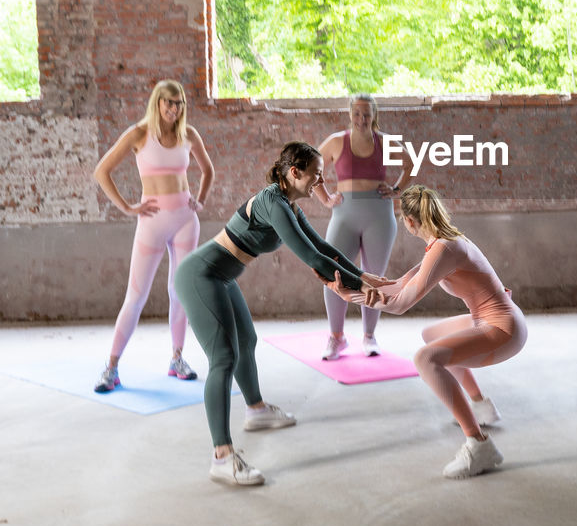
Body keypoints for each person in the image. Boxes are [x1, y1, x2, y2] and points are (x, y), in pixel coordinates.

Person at [174, 141, 387, 485]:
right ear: (294, 173)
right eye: (316, 175)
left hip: (223, 276)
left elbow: (323, 248)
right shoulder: (273, 202)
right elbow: (312, 258)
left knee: (247, 339)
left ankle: (256, 410)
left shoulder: (288, 205)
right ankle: (221, 456)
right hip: (201, 274)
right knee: (223, 357)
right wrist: (366, 288)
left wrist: (362, 275)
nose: (320, 182)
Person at [329, 185, 527, 480]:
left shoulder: (444, 249)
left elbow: (400, 304)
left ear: (408, 221)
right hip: (493, 320)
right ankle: (480, 407)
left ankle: (479, 444)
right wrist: (356, 281)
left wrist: (350, 297)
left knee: (425, 359)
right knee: (432, 336)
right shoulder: (443, 242)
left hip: (503, 328)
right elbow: (399, 284)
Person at [92, 79, 215, 393]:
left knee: (181, 292)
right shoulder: (139, 133)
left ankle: (177, 359)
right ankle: (111, 367)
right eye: (168, 103)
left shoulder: (189, 134)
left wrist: (200, 200)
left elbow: (208, 170)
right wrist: (126, 207)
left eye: (179, 104)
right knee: (136, 296)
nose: (174, 109)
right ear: (157, 103)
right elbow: (101, 171)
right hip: (152, 221)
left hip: (186, 221)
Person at [313, 94, 410, 360]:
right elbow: (312, 167)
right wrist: (325, 198)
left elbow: (410, 163)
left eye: (366, 114)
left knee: (373, 277)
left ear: (374, 115)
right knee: (332, 274)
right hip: (344, 214)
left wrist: (396, 190)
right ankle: (337, 338)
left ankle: (369, 336)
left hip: (379, 215)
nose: (361, 119)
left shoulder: (385, 142)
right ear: (350, 114)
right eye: (357, 114)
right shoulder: (336, 141)